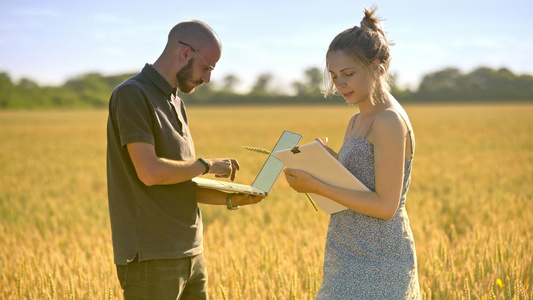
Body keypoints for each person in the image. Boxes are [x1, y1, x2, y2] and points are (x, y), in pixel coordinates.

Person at [106, 20, 264, 299]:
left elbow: (180, 181)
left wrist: (233, 198)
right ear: (185, 53)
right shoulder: (132, 94)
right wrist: (208, 165)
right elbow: (151, 172)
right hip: (152, 258)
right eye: (207, 68)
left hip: (192, 253)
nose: (207, 79)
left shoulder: (176, 102)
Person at [282, 6, 421, 299]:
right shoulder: (357, 120)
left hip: (380, 262)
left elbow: (385, 206)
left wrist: (316, 185)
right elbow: (360, 180)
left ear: (377, 68)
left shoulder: (388, 121)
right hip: (344, 252)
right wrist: (327, 160)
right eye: (334, 76)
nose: (339, 83)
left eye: (348, 73)